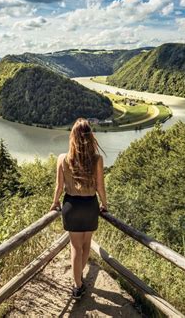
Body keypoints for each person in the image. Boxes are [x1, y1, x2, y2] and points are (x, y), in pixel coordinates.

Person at [49, 118, 108, 300]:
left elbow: (59, 186)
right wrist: (104, 205)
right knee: (86, 245)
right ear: (90, 137)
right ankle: (78, 280)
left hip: (71, 206)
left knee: (75, 248)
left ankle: (77, 285)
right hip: (90, 206)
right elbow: (100, 187)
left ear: (72, 137)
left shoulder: (63, 159)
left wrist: (54, 203)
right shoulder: (97, 159)